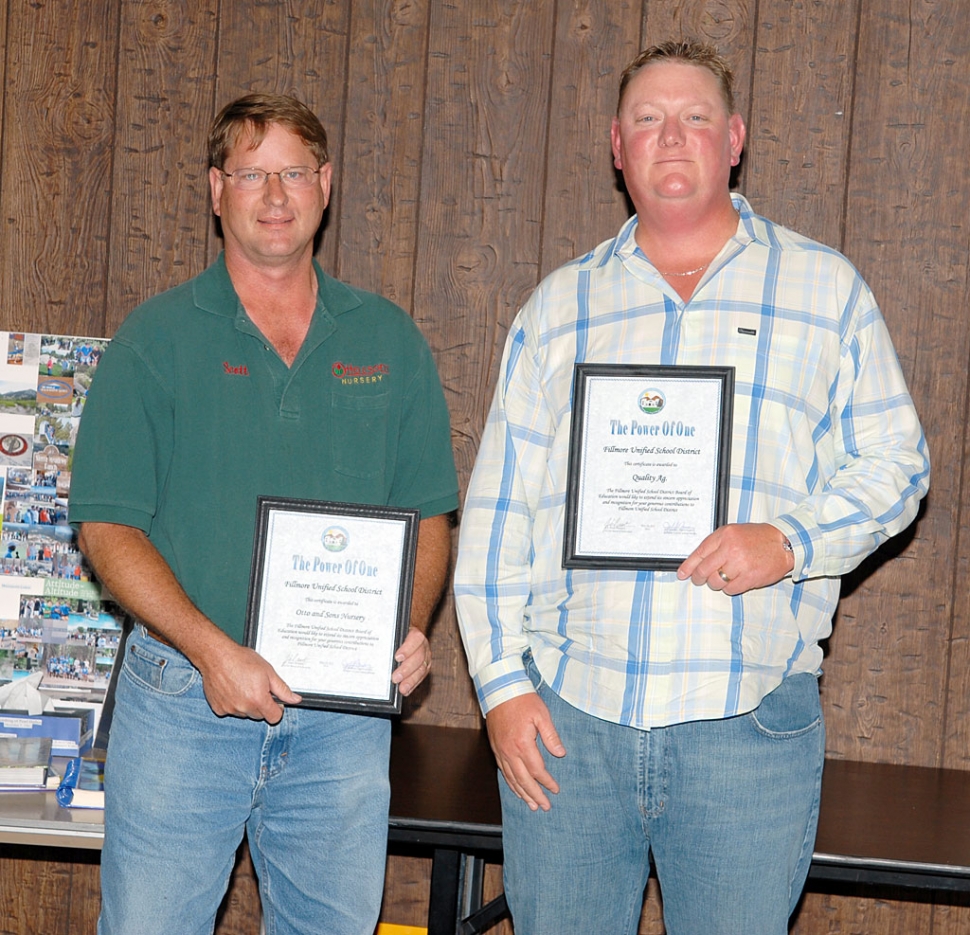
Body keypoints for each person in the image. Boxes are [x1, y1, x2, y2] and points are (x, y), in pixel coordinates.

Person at [454, 39, 929, 935]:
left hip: (746, 726)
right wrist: (498, 686)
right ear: (615, 146)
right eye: (648, 120)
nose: (672, 138)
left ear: (735, 139)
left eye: (695, 118)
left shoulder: (826, 291)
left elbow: (899, 464)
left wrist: (789, 540)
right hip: (567, 724)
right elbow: (495, 514)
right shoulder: (559, 307)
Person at [69, 93, 458, 935]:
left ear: (326, 185)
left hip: (340, 720)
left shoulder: (390, 341)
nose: (274, 194)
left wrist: (411, 621)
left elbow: (429, 512)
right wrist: (211, 651)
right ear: (216, 190)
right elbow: (107, 525)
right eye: (251, 173)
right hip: (183, 700)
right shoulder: (155, 340)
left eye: (292, 172)